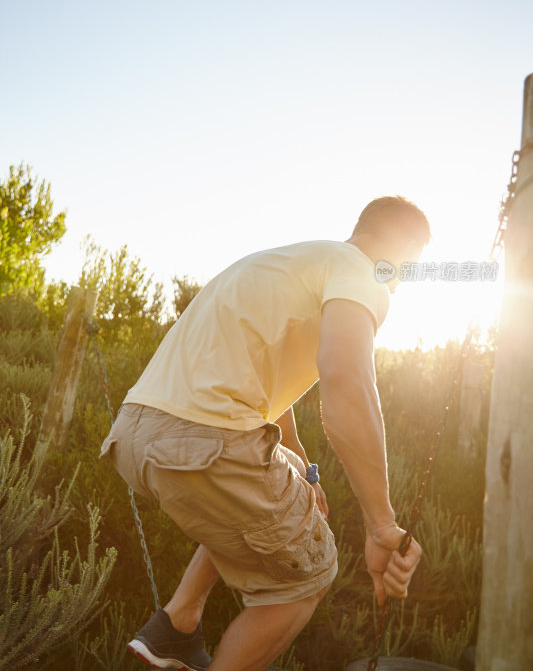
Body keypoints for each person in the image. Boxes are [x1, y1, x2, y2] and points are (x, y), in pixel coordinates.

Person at [100, 195, 429, 671]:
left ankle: (178, 622)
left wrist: (300, 465)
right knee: (309, 576)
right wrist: (381, 524)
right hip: (205, 442)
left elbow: (258, 371)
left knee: (268, 500)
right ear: (402, 251)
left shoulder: (289, 262)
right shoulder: (366, 273)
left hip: (134, 434)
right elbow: (346, 383)